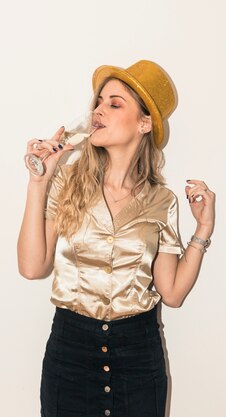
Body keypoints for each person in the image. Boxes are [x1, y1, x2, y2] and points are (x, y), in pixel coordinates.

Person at [16, 60, 216, 417]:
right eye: (99, 101)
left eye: (114, 103)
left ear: (144, 123)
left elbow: (171, 293)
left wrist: (202, 230)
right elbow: (32, 267)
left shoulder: (162, 201)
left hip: (138, 357)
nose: (98, 110)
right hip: (70, 354)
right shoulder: (67, 181)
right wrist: (39, 182)